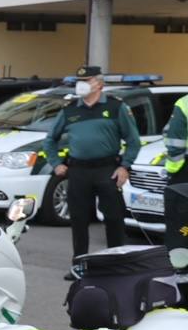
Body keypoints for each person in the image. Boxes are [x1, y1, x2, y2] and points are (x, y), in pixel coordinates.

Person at [40, 65, 141, 279]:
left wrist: (125, 166)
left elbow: (133, 141)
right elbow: (50, 140)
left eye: (87, 80)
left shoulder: (115, 107)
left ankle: (114, 264)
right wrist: (56, 163)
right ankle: (79, 265)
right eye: (79, 81)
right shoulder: (70, 111)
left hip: (107, 170)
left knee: (113, 218)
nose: (81, 85)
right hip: (78, 171)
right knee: (78, 219)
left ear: (99, 83)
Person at [161, 92, 188, 269]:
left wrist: (174, 167)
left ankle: (180, 274)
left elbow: (173, 140)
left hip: (183, 177)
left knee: (181, 229)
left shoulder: (185, 103)